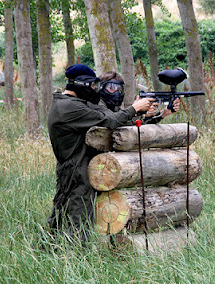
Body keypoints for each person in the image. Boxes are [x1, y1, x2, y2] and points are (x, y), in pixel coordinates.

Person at [46, 64, 153, 243]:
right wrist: (134, 107)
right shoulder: (69, 107)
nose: (96, 91)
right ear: (82, 85)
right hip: (75, 171)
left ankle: (48, 250)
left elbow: (115, 121)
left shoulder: (71, 105)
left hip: (76, 169)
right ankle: (73, 258)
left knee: (62, 215)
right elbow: (109, 120)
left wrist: (148, 115)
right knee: (77, 224)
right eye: (94, 86)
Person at [98, 71, 180, 124]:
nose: (116, 92)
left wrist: (162, 114)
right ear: (101, 87)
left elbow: (131, 125)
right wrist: (135, 108)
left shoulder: (114, 108)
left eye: (119, 89)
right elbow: (112, 122)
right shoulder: (97, 103)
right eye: (111, 88)